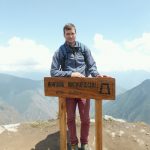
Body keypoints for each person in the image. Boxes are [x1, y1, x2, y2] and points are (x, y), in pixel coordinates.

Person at [50, 23, 101, 150]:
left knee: (85, 118)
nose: (70, 36)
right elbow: (53, 72)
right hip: (68, 90)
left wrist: (97, 76)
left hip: (84, 89)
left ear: (75, 33)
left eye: (72, 33)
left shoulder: (84, 49)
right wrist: (71, 74)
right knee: (71, 118)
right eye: (68, 34)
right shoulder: (60, 51)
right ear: (64, 35)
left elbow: (92, 66)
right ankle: (73, 144)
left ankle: (84, 144)